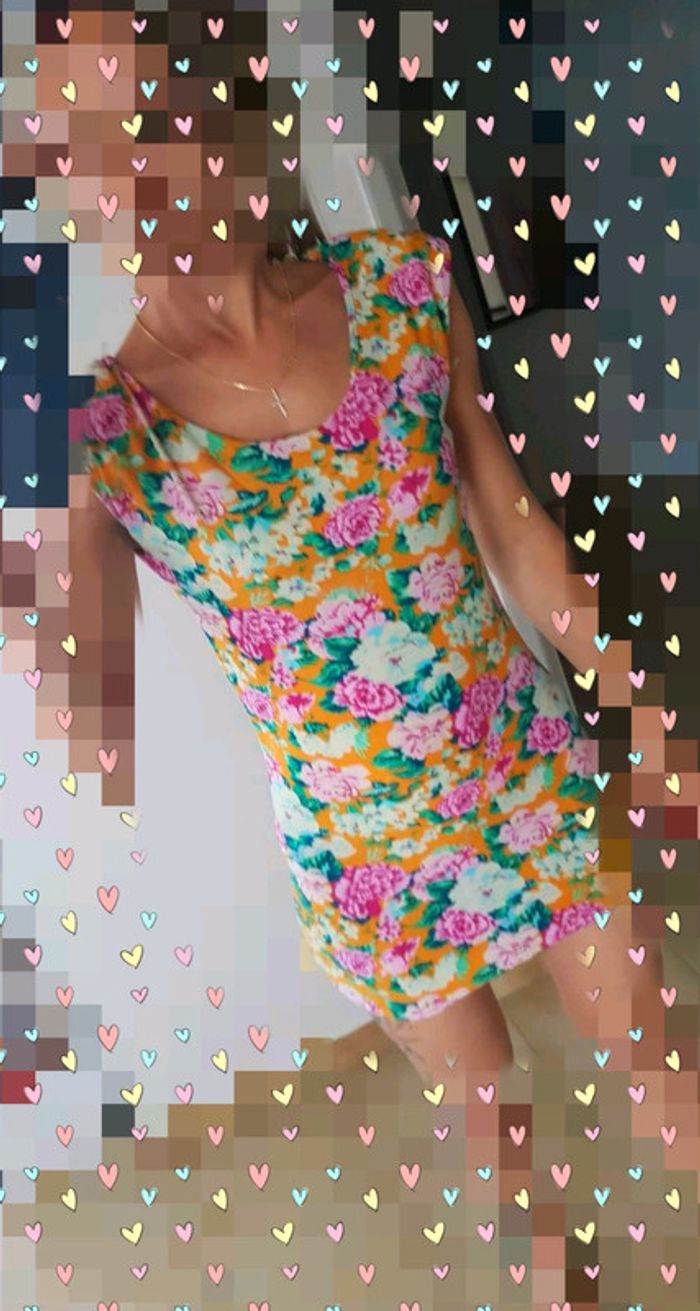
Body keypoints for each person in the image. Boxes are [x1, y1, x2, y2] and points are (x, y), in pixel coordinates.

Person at [80, 218, 667, 1102]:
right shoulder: (105, 433)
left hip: (528, 766)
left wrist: (650, 709)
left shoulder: (402, 285)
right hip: (365, 860)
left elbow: (513, 533)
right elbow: (80, 698)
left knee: (653, 1051)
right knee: (492, 1121)